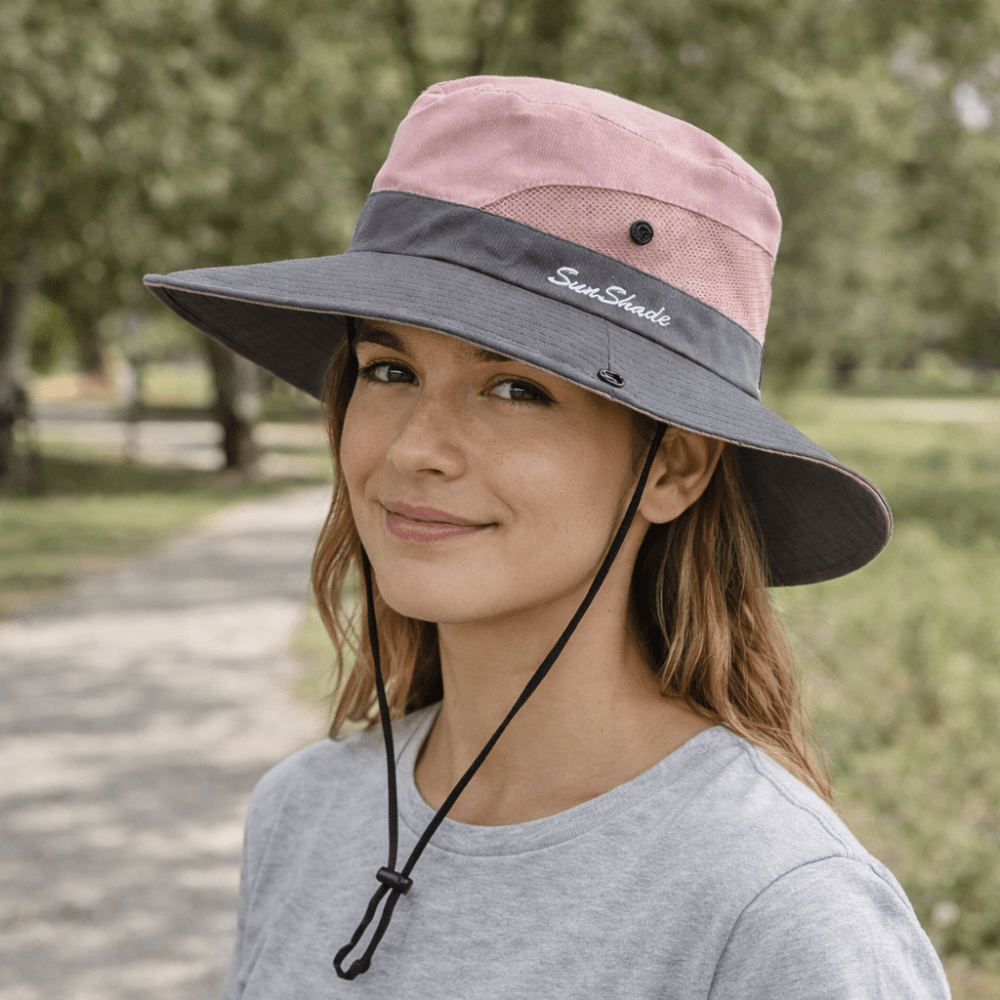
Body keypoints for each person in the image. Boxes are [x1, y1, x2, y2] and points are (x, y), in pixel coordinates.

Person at [145, 76, 952, 998]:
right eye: (387, 367)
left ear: (674, 467)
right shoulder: (301, 812)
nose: (414, 448)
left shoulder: (778, 914)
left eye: (516, 388)